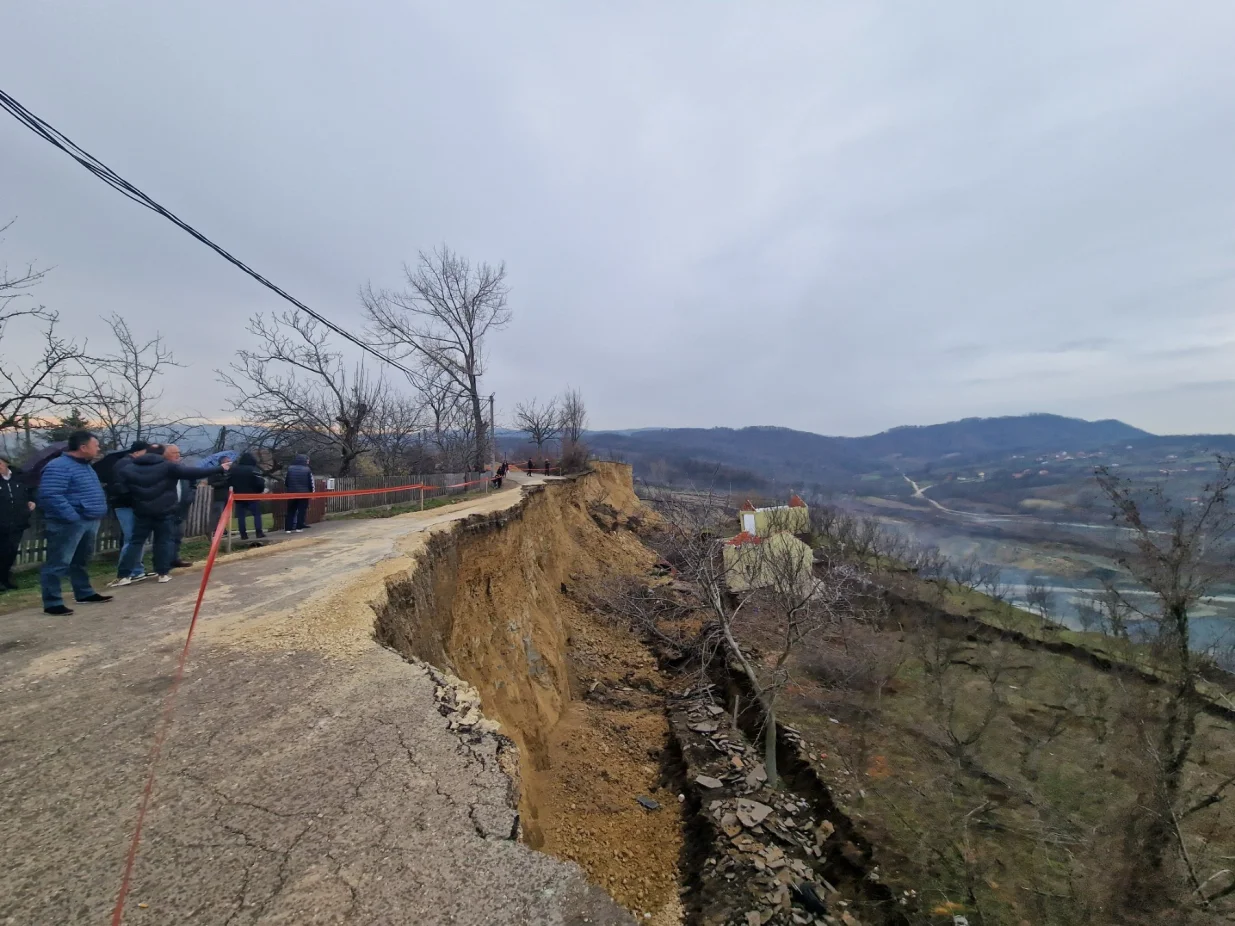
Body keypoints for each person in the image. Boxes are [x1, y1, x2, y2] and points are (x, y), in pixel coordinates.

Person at [113, 445, 229, 584]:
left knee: (135, 542)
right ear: (162, 454)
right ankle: (162, 573)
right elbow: (194, 473)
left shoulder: (129, 468)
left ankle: (124, 575)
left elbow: (120, 488)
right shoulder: (167, 467)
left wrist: (135, 500)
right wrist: (220, 468)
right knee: (163, 541)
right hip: (164, 510)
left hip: (142, 512)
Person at [36, 430, 112, 615]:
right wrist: (71, 516)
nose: (98, 448)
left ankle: (84, 593)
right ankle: (52, 602)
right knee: (58, 562)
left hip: (88, 520)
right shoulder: (59, 466)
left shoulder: (85, 466)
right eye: (96, 445)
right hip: (69, 523)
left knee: (80, 561)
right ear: (83, 447)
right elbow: (50, 495)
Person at [104, 441, 153, 586]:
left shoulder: (130, 463)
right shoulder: (125, 465)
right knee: (131, 538)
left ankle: (137, 570)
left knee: (137, 538)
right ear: (138, 451)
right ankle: (125, 572)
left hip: (132, 505)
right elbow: (125, 487)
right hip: (125, 505)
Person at [0, 456, 35, 591]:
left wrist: (32, 501)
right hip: (1, 522)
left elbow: (29, 491)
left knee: (11, 552)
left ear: (6, 464)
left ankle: (6, 578)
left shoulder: (19, 477)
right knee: (1, 552)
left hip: (18, 522)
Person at [162, 445, 200, 567]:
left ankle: (175, 559)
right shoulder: (161, 469)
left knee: (179, 534)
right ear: (165, 454)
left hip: (182, 506)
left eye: (178, 452)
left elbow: (194, 483)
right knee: (167, 536)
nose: (178, 455)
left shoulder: (183, 469)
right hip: (167, 507)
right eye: (174, 453)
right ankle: (164, 562)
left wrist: (191, 495)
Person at [227, 451, 267, 540]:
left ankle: (243, 534)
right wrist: (259, 491)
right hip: (252, 495)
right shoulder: (253, 469)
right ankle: (259, 532)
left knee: (241, 516)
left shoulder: (233, 469)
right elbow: (260, 483)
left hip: (238, 496)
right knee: (256, 514)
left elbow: (228, 482)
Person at [283, 453, 314, 533]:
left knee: (290, 510)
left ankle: (288, 528)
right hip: (304, 493)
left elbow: (286, 482)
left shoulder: (290, 469)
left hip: (291, 493)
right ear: (305, 460)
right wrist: (312, 493)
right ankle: (299, 527)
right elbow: (311, 483)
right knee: (301, 511)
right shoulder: (307, 469)